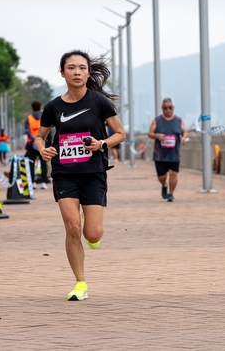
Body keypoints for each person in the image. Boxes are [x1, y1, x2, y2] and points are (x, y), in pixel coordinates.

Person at [34, 50, 125, 301]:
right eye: (72, 68)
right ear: (62, 73)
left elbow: (120, 134)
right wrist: (43, 149)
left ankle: (91, 230)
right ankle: (80, 283)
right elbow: (40, 137)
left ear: (88, 73)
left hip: (94, 172)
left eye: (82, 68)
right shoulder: (54, 107)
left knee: (92, 233)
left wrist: (101, 144)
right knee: (73, 227)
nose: (77, 72)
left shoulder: (99, 102)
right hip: (64, 173)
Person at [147, 98, 188, 202]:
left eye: (170, 108)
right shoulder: (157, 121)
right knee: (161, 176)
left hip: (174, 154)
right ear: (162, 108)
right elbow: (150, 133)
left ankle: (171, 193)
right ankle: (164, 185)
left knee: (173, 174)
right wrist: (157, 136)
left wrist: (184, 138)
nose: (168, 110)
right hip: (160, 154)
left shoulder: (179, 120)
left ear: (173, 108)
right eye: (165, 108)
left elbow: (184, 132)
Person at [25, 100, 49, 189]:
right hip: (42, 143)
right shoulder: (44, 117)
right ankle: (44, 182)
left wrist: (33, 139)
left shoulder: (28, 118)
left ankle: (32, 182)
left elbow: (27, 131)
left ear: (32, 108)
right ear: (40, 107)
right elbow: (48, 130)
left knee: (31, 164)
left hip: (31, 144)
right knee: (43, 163)